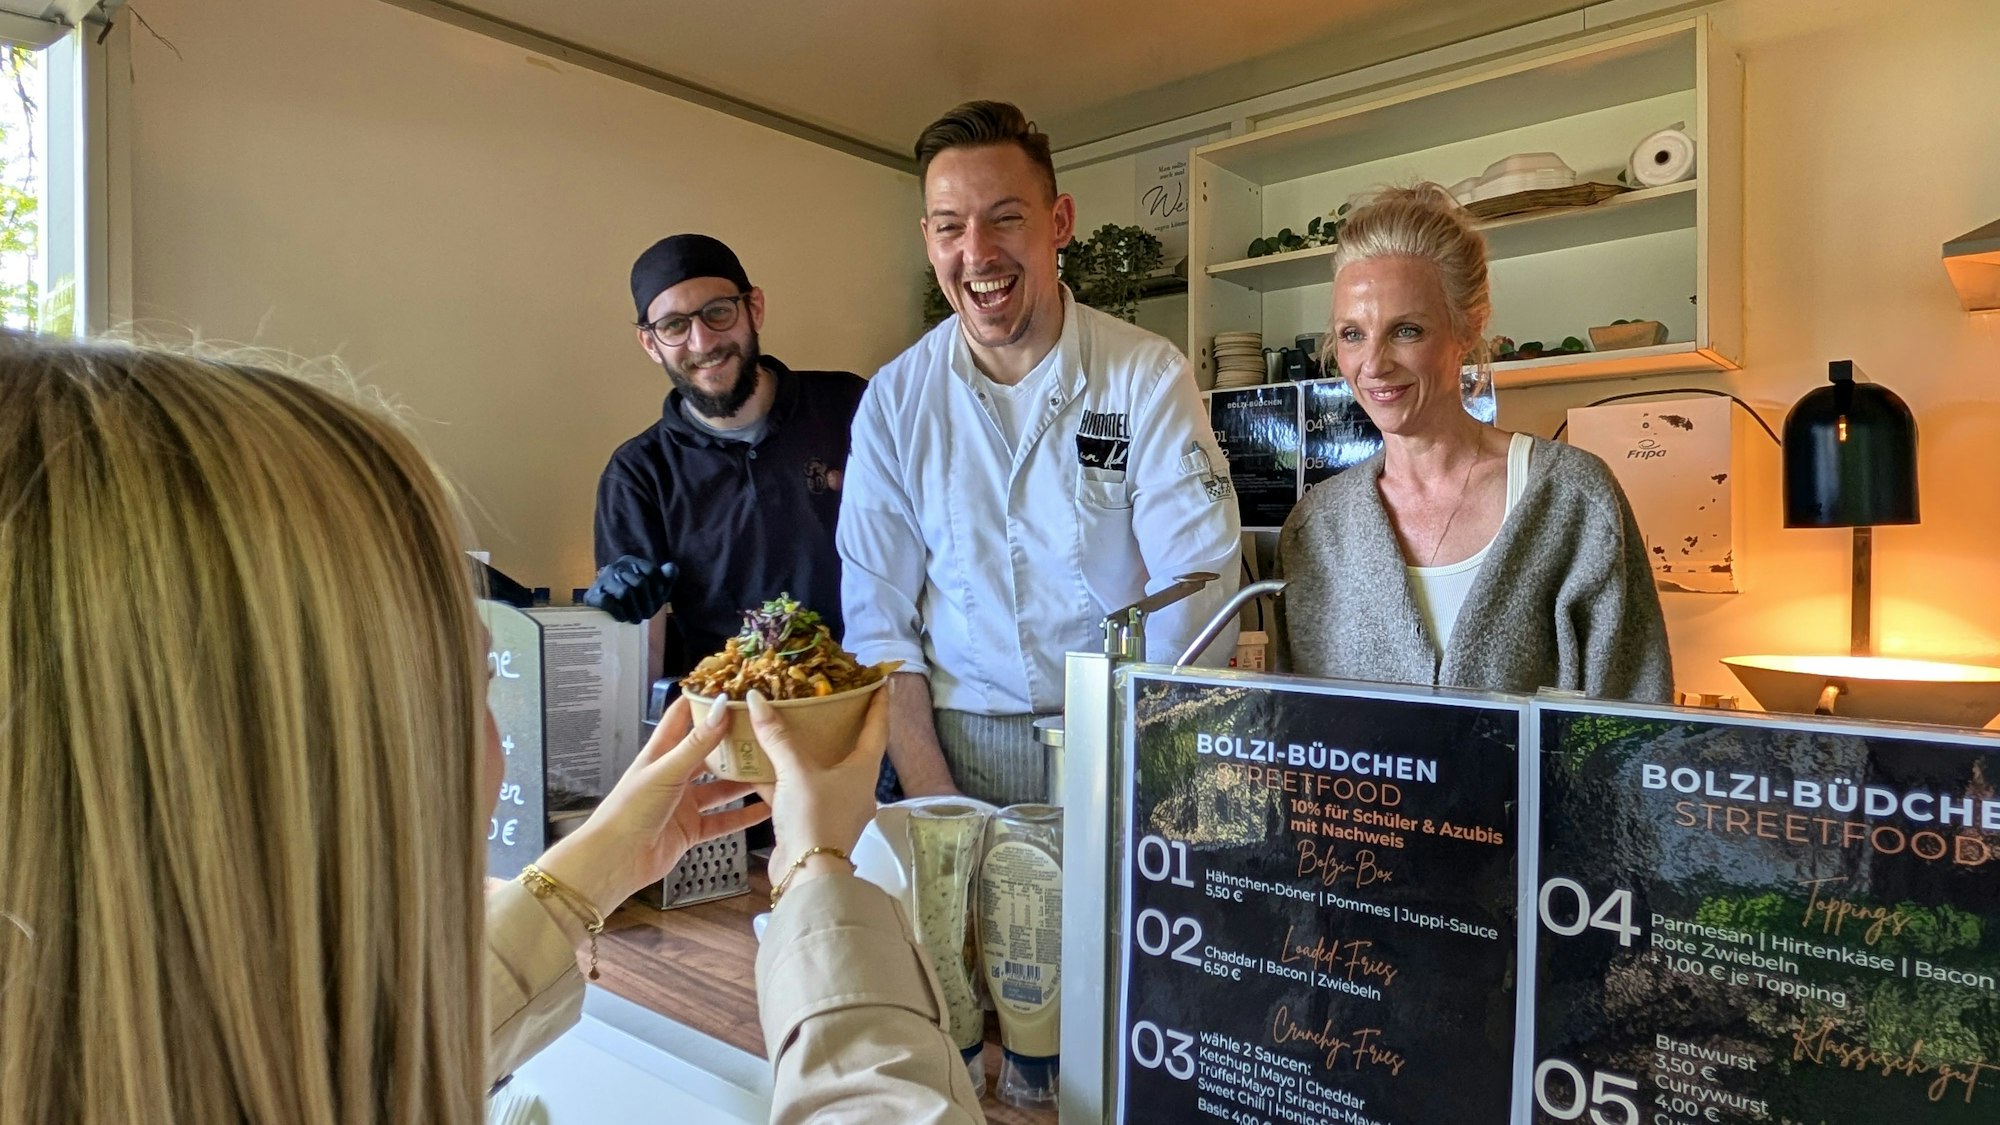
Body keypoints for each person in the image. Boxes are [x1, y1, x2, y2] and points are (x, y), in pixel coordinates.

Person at [0, 336, 981, 1124]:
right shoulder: (639, 470)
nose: (497, 751)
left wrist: (602, 858)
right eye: (470, 685)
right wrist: (817, 875)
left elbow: (393, 1052)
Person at [839, 101, 1242, 805]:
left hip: (1124, 736)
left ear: (1059, 223)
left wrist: (1132, 764)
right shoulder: (895, 402)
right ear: (928, 239)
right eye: (949, 227)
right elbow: (879, 628)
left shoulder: (1145, 376)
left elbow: (1197, 588)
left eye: (1005, 217)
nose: (977, 252)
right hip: (951, 750)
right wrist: (939, 805)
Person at [1273, 185, 1672, 701]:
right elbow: (1300, 737)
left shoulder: (1573, 499)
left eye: (1407, 330)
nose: (1372, 364)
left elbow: (1632, 729)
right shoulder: (1314, 530)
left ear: (1468, 326)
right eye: (1352, 334)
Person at [587, 234, 867, 684]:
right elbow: (645, 655)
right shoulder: (637, 474)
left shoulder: (850, 405)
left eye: (718, 312)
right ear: (650, 343)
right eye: (674, 326)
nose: (702, 343)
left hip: (864, 696)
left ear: (754, 308)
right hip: (727, 719)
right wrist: (620, 609)